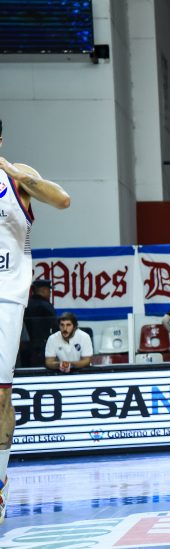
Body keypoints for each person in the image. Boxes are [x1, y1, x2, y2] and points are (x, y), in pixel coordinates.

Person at [0, 119, 71, 522]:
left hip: (5, 297)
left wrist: (13, 171)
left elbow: (62, 200)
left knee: (0, 396)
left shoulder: (17, 176)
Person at [22, 279, 58, 367]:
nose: (50, 293)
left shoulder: (25, 305)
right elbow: (55, 328)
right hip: (42, 347)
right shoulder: (46, 306)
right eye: (49, 290)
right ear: (43, 290)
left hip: (24, 347)